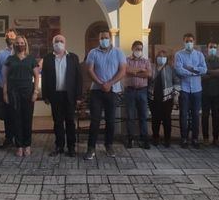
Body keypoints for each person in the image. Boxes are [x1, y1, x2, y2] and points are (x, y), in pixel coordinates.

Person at [84, 29, 126, 160]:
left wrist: (110, 83)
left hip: (112, 91)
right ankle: (91, 148)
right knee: (95, 120)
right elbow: (89, 70)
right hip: (97, 90)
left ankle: (109, 145)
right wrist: (101, 83)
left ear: (110, 38)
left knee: (111, 120)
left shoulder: (118, 52)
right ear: (99, 40)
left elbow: (122, 70)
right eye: (102, 38)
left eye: (106, 37)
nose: (104, 40)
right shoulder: (93, 52)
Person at [41, 34, 83, 157]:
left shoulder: (73, 57)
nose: (59, 43)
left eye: (61, 41)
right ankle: (59, 146)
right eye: (56, 41)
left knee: (70, 122)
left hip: (69, 96)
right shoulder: (48, 58)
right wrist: (45, 95)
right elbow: (45, 78)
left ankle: (71, 147)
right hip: (55, 96)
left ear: (65, 43)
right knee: (57, 122)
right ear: (53, 43)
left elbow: (78, 78)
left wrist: (79, 96)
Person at [2, 35, 40, 157]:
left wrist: (35, 92)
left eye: (22, 42)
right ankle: (19, 146)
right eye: (17, 43)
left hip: (28, 92)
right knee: (16, 119)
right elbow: (5, 78)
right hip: (13, 93)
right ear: (14, 45)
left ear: (25, 44)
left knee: (27, 119)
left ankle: (27, 145)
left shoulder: (31, 59)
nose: (19, 45)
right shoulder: (10, 59)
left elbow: (36, 76)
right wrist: (5, 93)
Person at [174, 33, 208, 148]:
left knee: (195, 115)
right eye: (187, 41)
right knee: (183, 114)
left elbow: (204, 70)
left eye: (191, 41)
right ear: (183, 41)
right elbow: (179, 70)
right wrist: (194, 72)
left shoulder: (199, 55)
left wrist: (192, 69)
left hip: (197, 90)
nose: (189, 43)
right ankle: (184, 138)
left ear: (194, 42)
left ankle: (195, 139)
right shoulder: (179, 54)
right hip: (184, 89)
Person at [149, 50, 179, 148]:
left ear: (166, 59)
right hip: (153, 98)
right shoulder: (151, 68)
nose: (161, 58)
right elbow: (147, 81)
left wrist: (175, 95)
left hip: (167, 98)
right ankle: (155, 138)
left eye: (163, 56)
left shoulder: (170, 69)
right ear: (156, 57)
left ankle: (167, 140)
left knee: (167, 120)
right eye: (159, 56)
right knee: (155, 119)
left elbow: (177, 82)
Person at [124, 40, 151, 149]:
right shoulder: (126, 60)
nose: (139, 51)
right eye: (137, 49)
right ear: (132, 49)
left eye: (140, 49)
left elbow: (148, 74)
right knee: (130, 116)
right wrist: (140, 70)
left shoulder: (146, 61)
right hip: (130, 91)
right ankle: (130, 139)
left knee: (143, 116)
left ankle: (144, 139)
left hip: (142, 91)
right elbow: (126, 70)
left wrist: (134, 73)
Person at [0, 29, 17, 148]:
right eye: (8, 36)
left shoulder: (20, 52)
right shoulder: (0, 54)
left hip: (18, 89)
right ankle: (8, 138)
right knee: (7, 114)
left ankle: (18, 138)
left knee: (18, 114)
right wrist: (2, 85)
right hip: (5, 89)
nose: (10, 38)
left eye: (12, 36)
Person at [202, 42, 219, 146]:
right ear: (207, 48)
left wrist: (208, 72)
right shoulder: (202, 60)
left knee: (216, 116)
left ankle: (216, 138)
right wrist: (215, 73)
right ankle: (205, 138)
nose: (213, 49)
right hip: (205, 92)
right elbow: (201, 75)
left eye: (215, 47)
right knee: (205, 116)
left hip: (217, 92)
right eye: (211, 47)